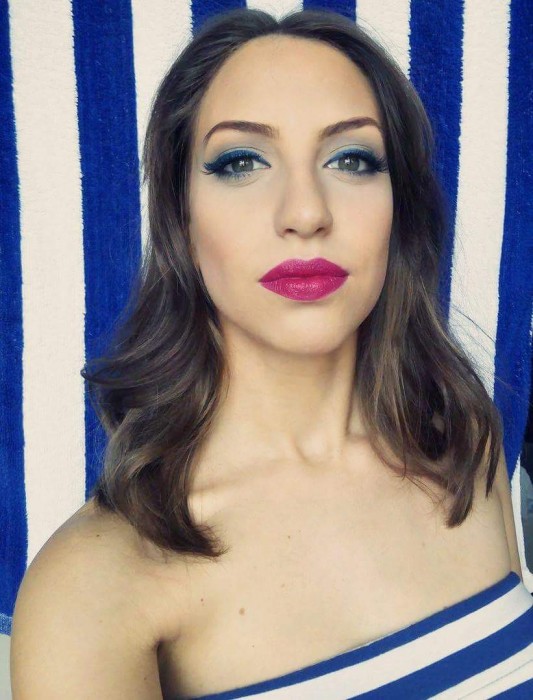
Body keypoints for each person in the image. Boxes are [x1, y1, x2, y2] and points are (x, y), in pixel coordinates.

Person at [10, 8, 532, 699]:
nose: (305, 212)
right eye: (241, 162)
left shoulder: (463, 448)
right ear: (180, 215)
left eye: (351, 159)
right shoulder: (95, 585)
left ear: (397, 206)